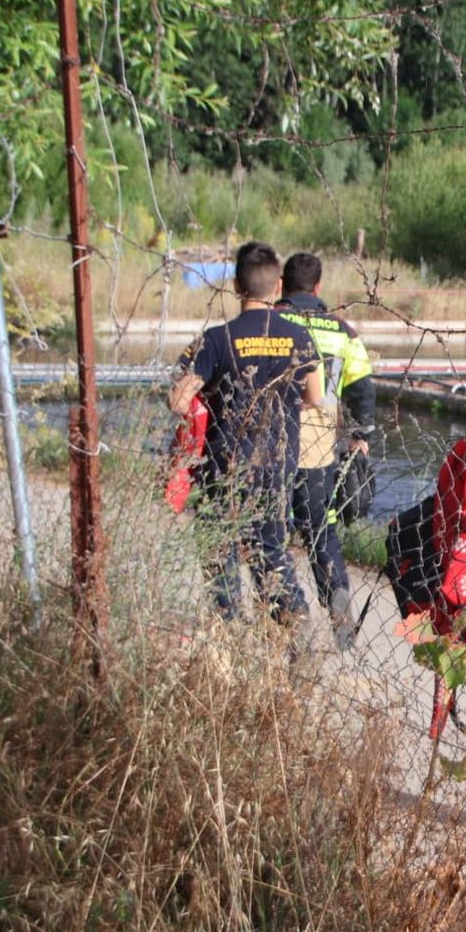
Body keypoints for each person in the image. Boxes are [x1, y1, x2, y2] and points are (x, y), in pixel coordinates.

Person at [169, 241, 323, 621]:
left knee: (219, 550)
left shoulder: (216, 339)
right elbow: (316, 397)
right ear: (276, 288)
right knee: (270, 548)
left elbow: (177, 401)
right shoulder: (300, 337)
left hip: (224, 467)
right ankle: (291, 618)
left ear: (236, 286)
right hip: (276, 462)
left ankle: (229, 626)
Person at [277, 252, 376, 649]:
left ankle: (286, 615)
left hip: (274, 440)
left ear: (283, 284)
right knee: (323, 532)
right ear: (319, 288)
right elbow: (362, 387)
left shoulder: (273, 322)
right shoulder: (342, 331)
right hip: (320, 443)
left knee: (272, 532)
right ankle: (339, 615)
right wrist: (359, 435)